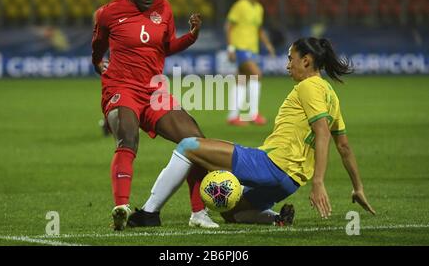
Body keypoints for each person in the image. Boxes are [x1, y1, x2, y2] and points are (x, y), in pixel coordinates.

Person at [128, 37, 376, 227]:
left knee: (188, 146)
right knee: (230, 212)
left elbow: (321, 133)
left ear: (307, 61)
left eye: (291, 59)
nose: (287, 65)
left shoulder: (308, 87)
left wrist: (319, 182)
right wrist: (358, 187)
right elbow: (343, 146)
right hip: (289, 183)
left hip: (271, 165)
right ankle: (275, 218)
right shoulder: (331, 95)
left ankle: (150, 212)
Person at [91, 0, 218, 230]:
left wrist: (191, 36)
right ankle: (122, 207)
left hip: (153, 90)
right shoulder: (109, 13)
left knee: (195, 140)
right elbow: (98, 46)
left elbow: (166, 46)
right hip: (121, 87)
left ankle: (198, 213)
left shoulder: (164, 8)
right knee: (128, 136)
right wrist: (97, 62)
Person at [226, 0, 276, 126]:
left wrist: (267, 44)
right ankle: (253, 114)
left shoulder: (259, 8)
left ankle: (233, 116)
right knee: (256, 74)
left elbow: (259, 29)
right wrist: (230, 48)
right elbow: (229, 26)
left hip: (253, 49)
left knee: (242, 80)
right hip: (241, 47)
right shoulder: (240, 5)